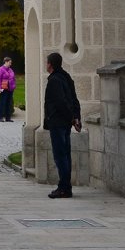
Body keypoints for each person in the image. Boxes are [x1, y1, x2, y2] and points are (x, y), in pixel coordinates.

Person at [44, 51, 82, 199]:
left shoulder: (54, 80)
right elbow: (74, 100)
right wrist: (76, 118)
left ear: (50, 64)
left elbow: (61, 103)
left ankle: (64, 187)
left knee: (60, 155)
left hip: (59, 122)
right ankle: (66, 187)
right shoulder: (66, 77)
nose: (46, 65)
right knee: (65, 155)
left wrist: (73, 119)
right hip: (65, 122)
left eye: (47, 62)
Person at [0, 56, 16, 122]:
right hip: (3, 88)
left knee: (9, 103)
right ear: (6, 62)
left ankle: (8, 118)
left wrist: (14, 86)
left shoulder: (10, 70)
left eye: (11, 62)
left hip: (10, 89)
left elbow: (13, 78)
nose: (11, 64)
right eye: (10, 62)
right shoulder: (0, 69)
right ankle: (0, 117)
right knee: (2, 103)